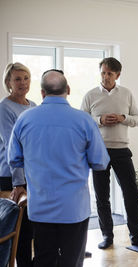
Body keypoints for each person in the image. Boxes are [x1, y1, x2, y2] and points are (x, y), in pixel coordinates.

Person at [7, 69, 110, 267]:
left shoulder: (25, 119)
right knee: (71, 260)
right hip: (74, 208)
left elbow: (14, 159)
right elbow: (100, 162)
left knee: (44, 257)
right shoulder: (84, 120)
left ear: (42, 93)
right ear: (68, 90)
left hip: (40, 206)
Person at [81, 57, 138, 249]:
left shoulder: (127, 94)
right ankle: (107, 237)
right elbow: (82, 120)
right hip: (98, 151)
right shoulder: (90, 95)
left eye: (110, 73)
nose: (105, 76)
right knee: (102, 197)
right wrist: (99, 119)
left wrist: (123, 117)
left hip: (121, 150)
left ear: (117, 75)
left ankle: (135, 236)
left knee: (131, 192)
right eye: (103, 72)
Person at [0, 62, 36, 267]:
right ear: (8, 83)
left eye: (26, 78)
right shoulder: (4, 108)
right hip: (12, 176)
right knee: (18, 228)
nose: (23, 83)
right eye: (17, 79)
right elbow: (12, 146)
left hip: (32, 175)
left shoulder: (33, 106)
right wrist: (18, 182)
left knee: (31, 226)